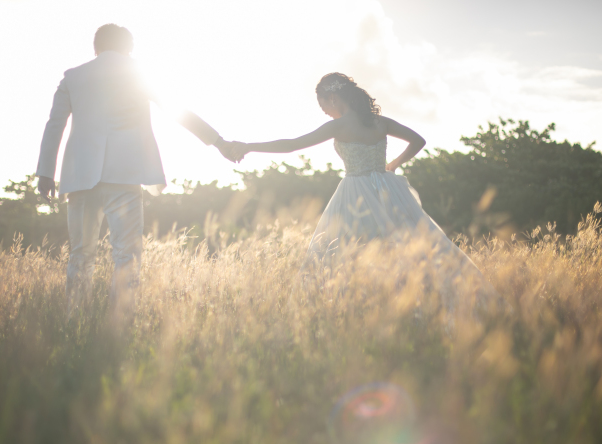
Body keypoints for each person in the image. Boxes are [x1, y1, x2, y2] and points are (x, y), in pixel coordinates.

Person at [228, 73, 497, 324]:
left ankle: (357, 315)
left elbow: (291, 145)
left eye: (323, 105)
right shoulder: (380, 122)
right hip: (390, 192)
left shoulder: (338, 126)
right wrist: (392, 166)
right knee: (411, 248)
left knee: (341, 253)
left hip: (354, 193)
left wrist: (249, 146)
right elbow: (418, 141)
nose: (324, 111)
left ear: (333, 98)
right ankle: (426, 308)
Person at [35, 24, 240, 323]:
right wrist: (218, 141)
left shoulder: (73, 77)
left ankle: (75, 322)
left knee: (80, 254)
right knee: (127, 255)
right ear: (128, 48)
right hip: (125, 174)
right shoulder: (138, 72)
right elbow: (177, 111)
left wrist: (45, 172)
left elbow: (54, 125)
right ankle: (120, 323)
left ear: (96, 47)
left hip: (80, 177)